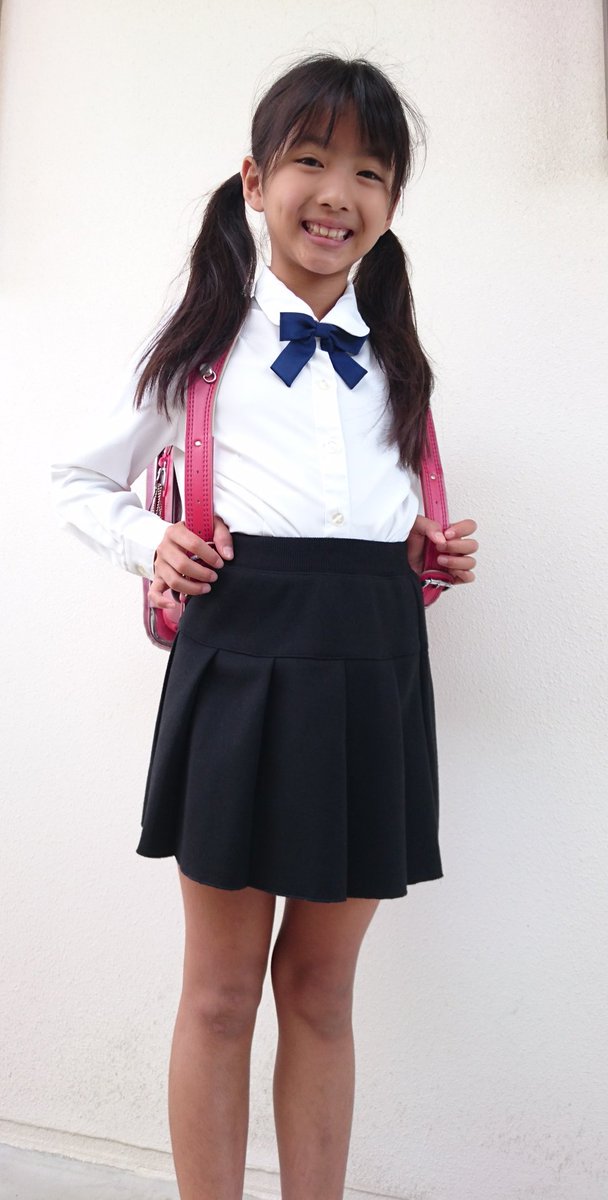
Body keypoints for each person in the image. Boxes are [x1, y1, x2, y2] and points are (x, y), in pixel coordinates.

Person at [50, 52, 478, 1200]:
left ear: (391, 202)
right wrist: (151, 543)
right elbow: (75, 481)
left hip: (373, 665)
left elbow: (374, 514)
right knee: (221, 992)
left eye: (369, 172)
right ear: (253, 180)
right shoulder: (200, 345)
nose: (338, 193)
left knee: (322, 992)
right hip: (238, 662)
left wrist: (424, 550)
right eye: (311, 161)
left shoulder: (398, 363)